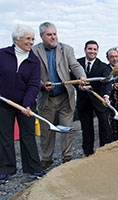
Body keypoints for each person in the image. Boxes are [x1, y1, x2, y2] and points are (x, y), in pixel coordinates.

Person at [32, 22, 86, 169]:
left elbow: (75, 65)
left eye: (54, 34)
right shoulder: (34, 51)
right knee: (46, 130)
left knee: (67, 128)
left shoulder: (66, 49)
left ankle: (67, 156)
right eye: (49, 34)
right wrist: (42, 84)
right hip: (46, 98)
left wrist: (82, 77)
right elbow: (31, 74)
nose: (53, 37)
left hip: (65, 96)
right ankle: (46, 158)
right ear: (42, 36)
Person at [0, 24, 43, 184]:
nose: (31, 42)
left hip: (26, 104)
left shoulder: (34, 61)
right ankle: (6, 169)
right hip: (3, 103)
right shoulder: (2, 55)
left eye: (32, 39)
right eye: (28, 38)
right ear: (17, 39)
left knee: (28, 135)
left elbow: (33, 85)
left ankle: (33, 168)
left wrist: (27, 104)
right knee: (5, 136)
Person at [76, 40, 113, 156]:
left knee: (104, 126)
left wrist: (106, 96)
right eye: (90, 49)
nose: (92, 51)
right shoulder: (77, 63)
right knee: (87, 129)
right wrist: (79, 86)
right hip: (83, 101)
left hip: (99, 100)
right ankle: (88, 153)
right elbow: (72, 78)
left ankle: (104, 151)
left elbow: (107, 82)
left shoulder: (103, 66)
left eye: (94, 49)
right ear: (85, 49)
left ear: (97, 51)